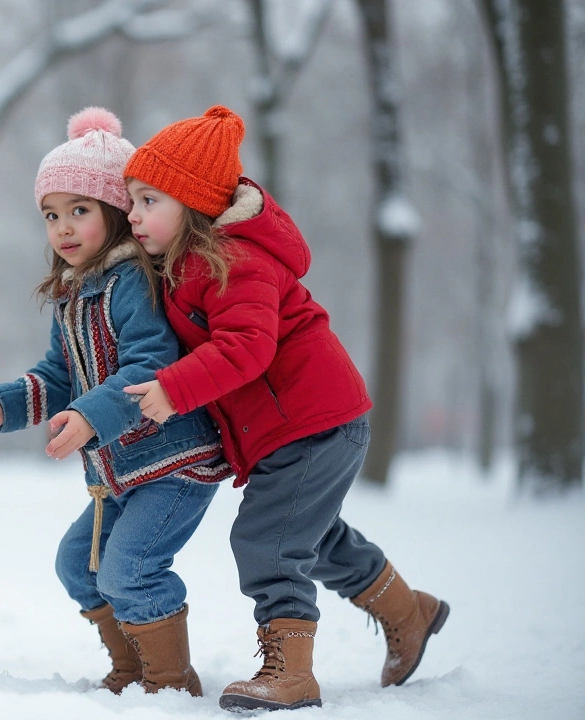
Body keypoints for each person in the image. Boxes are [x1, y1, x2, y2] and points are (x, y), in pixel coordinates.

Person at [121, 106, 450, 712]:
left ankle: (292, 672)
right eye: (131, 201)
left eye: (148, 200)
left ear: (193, 204)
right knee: (313, 538)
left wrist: (174, 387)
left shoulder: (234, 260)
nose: (134, 215)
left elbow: (246, 347)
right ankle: (411, 612)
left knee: (267, 540)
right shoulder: (186, 264)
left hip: (314, 422)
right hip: (296, 428)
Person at [0, 108, 231, 696]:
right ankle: (130, 668)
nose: (64, 228)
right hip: (122, 469)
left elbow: (148, 365)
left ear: (117, 215)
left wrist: (87, 416)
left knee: (129, 568)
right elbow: (59, 375)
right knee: (80, 565)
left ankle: (171, 683)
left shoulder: (132, 282)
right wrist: (6, 407)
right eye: (52, 215)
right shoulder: (74, 294)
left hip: (174, 461)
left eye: (80, 211)